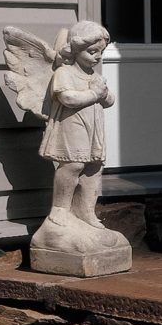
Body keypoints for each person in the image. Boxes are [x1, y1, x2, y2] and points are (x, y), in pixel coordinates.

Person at [39, 21, 113, 229]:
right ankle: (60, 208)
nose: (97, 56)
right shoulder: (64, 73)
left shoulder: (95, 76)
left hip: (93, 127)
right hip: (72, 125)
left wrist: (104, 94)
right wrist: (94, 94)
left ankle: (86, 210)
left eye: (101, 51)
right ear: (76, 50)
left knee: (94, 166)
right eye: (92, 51)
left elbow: (109, 101)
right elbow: (68, 99)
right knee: (73, 164)